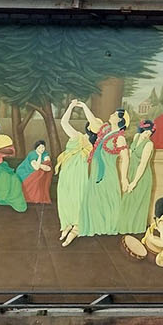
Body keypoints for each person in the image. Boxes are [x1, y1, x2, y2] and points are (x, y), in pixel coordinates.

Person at [79, 103, 128, 238]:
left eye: (114, 114)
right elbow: (93, 121)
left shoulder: (120, 137)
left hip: (108, 174)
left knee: (107, 198)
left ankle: (106, 226)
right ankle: (94, 225)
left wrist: (124, 178)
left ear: (119, 119)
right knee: (93, 198)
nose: (111, 115)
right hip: (95, 172)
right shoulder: (106, 129)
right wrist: (84, 107)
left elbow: (126, 159)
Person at [55, 101, 94, 246]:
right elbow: (64, 122)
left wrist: (79, 106)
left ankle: (75, 228)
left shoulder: (88, 142)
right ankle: (66, 225)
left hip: (79, 172)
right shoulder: (79, 136)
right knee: (66, 196)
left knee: (77, 197)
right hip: (68, 170)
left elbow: (65, 122)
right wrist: (73, 106)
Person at [116, 120, 157, 234]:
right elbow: (129, 153)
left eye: (149, 133)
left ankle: (135, 231)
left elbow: (143, 164)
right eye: (145, 132)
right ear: (141, 130)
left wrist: (134, 182)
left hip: (142, 176)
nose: (147, 135)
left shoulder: (149, 144)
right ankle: (124, 229)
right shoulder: (136, 137)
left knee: (137, 203)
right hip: (131, 172)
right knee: (127, 201)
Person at [0, 135, 27, 213]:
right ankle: (3, 196)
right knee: (3, 177)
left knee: (15, 178)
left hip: (1, 165)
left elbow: (11, 151)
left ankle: (15, 200)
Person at [16, 140, 54, 204]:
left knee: (40, 174)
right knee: (36, 176)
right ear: (36, 148)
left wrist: (41, 165)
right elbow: (36, 168)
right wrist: (39, 156)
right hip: (25, 171)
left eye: (43, 147)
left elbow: (48, 164)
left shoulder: (45, 153)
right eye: (39, 148)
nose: (42, 149)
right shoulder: (32, 154)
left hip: (38, 170)